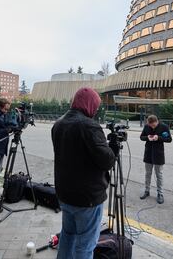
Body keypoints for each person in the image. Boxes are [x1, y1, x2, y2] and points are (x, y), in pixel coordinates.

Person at [52, 87, 115, 259]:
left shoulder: (59, 123)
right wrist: (113, 148)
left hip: (65, 194)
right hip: (87, 198)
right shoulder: (88, 126)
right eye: (96, 106)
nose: (95, 110)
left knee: (67, 236)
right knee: (86, 245)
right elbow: (107, 161)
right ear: (89, 104)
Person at [139, 115, 172, 204]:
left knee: (159, 175)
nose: (152, 127)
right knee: (148, 174)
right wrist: (147, 137)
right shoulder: (147, 126)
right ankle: (147, 191)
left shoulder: (164, 127)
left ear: (157, 122)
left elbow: (169, 139)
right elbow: (141, 137)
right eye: (150, 125)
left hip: (158, 154)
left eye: (153, 125)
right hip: (148, 153)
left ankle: (160, 194)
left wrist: (159, 138)